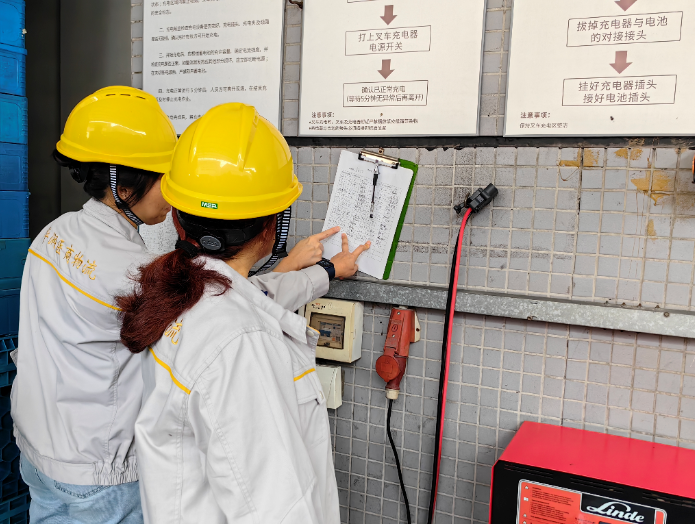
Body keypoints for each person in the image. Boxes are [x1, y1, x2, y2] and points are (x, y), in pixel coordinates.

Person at [11, 88, 339, 523]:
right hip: (98, 471)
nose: (171, 192)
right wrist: (318, 272)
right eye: (165, 176)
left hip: (38, 451)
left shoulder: (54, 234)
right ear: (123, 185)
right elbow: (222, 302)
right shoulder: (135, 272)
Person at [117, 103, 368, 523]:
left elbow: (256, 293)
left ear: (178, 219)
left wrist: (325, 270)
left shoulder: (181, 293)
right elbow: (277, 509)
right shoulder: (240, 345)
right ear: (273, 227)